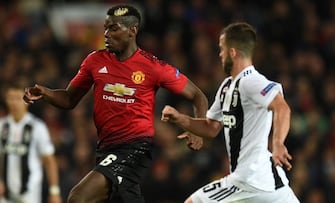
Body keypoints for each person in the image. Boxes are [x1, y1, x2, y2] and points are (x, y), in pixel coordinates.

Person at [23, 4, 208, 203]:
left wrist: (198, 128)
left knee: (78, 198)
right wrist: (45, 93)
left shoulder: (153, 66)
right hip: (105, 149)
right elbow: (69, 99)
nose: (106, 34)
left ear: (132, 31)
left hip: (134, 149)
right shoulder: (94, 61)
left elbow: (198, 96)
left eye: (113, 29)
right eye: (105, 28)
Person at [161, 22, 299, 203]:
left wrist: (278, 143)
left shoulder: (251, 81)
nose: (220, 54)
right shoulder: (227, 86)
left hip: (249, 179)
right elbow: (211, 128)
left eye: (222, 49)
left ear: (233, 52)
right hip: (270, 183)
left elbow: (282, 108)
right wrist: (180, 119)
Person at [0, 82, 62, 203]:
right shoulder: (2, 126)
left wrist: (54, 191)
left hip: (30, 194)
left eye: (17, 98)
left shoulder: (37, 127)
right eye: (10, 98)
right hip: (5, 194)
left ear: (26, 100)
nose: (14, 103)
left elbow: (49, 160)